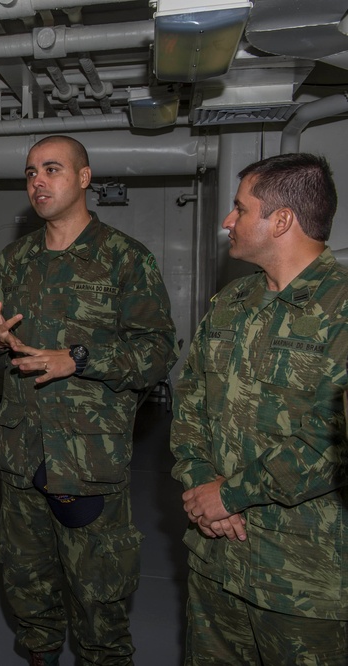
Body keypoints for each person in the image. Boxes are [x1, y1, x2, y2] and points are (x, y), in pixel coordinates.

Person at [0, 135, 177, 665]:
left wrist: (78, 359)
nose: (38, 181)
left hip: (88, 462)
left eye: (52, 169)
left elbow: (156, 350)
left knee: (98, 600)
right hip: (21, 457)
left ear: (84, 179)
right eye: (31, 172)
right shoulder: (13, 262)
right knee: (27, 587)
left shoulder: (125, 259)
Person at [170, 153, 348, 664]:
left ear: (282, 220)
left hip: (303, 579)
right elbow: (189, 406)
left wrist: (233, 495)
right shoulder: (229, 303)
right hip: (216, 557)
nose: (229, 220)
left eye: (240, 208)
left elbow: (330, 441)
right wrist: (203, 487)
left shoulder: (340, 309)